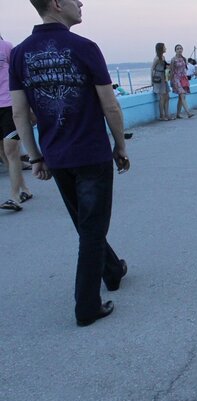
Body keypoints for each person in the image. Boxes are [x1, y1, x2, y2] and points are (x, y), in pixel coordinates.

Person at [10, 0, 129, 326]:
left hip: (57, 156)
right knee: (91, 229)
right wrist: (120, 145)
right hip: (91, 153)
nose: (80, 3)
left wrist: (35, 155)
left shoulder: (20, 54)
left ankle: (113, 269)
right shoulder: (85, 47)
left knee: (85, 224)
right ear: (57, 4)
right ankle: (86, 306)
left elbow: (19, 113)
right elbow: (111, 105)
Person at [1, 35, 34, 212]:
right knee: (4, 153)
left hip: (9, 105)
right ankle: (25, 190)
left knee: (10, 150)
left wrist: (28, 107)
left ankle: (14, 197)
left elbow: (19, 74)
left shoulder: (6, 46)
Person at [169, 44, 193, 118]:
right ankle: (188, 113)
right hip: (176, 79)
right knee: (182, 94)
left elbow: (185, 70)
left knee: (180, 97)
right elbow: (171, 70)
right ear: (175, 50)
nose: (179, 50)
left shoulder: (184, 59)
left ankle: (178, 114)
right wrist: (170, 81)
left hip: (183, 79)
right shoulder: (173, 59)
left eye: (180, 48)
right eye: (177, 49)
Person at [151, 42, 171, 120]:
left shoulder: (163, 57)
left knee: (167, 96)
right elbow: (152, 68)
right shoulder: (156, 58)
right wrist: (151, 81)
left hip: (164, 76)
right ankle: (161, 115)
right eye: (164, 47)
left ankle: (167, 114)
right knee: (162, 97)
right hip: (158, 77)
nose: (165, 48)